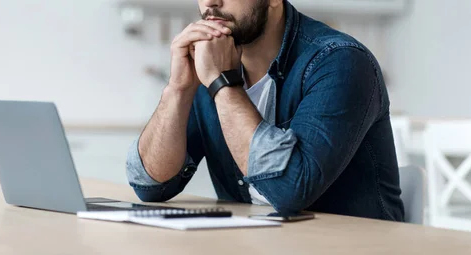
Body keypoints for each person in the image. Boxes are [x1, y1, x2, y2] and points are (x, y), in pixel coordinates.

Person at [126, 0, 404, 221]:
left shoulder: (340, 61)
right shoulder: (206, 66)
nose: (210, 3)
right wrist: (178, 88)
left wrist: (223, 84)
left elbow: (289, 192)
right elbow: (150, 185)